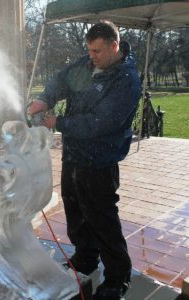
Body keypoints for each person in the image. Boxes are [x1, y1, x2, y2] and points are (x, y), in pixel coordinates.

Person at [29, 20, 141, 300]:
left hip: (100, 161)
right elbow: (62, 79)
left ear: (114, 46)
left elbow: (99, 124)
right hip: (75, 155)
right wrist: (44, 99)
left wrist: (58, 121)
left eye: (97, 51)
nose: (92, 56)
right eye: (89, 50)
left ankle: (117, 277)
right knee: (75, 210)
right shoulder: (88, 63)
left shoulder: (125, 80)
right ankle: (85, 258)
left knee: (101, 217)